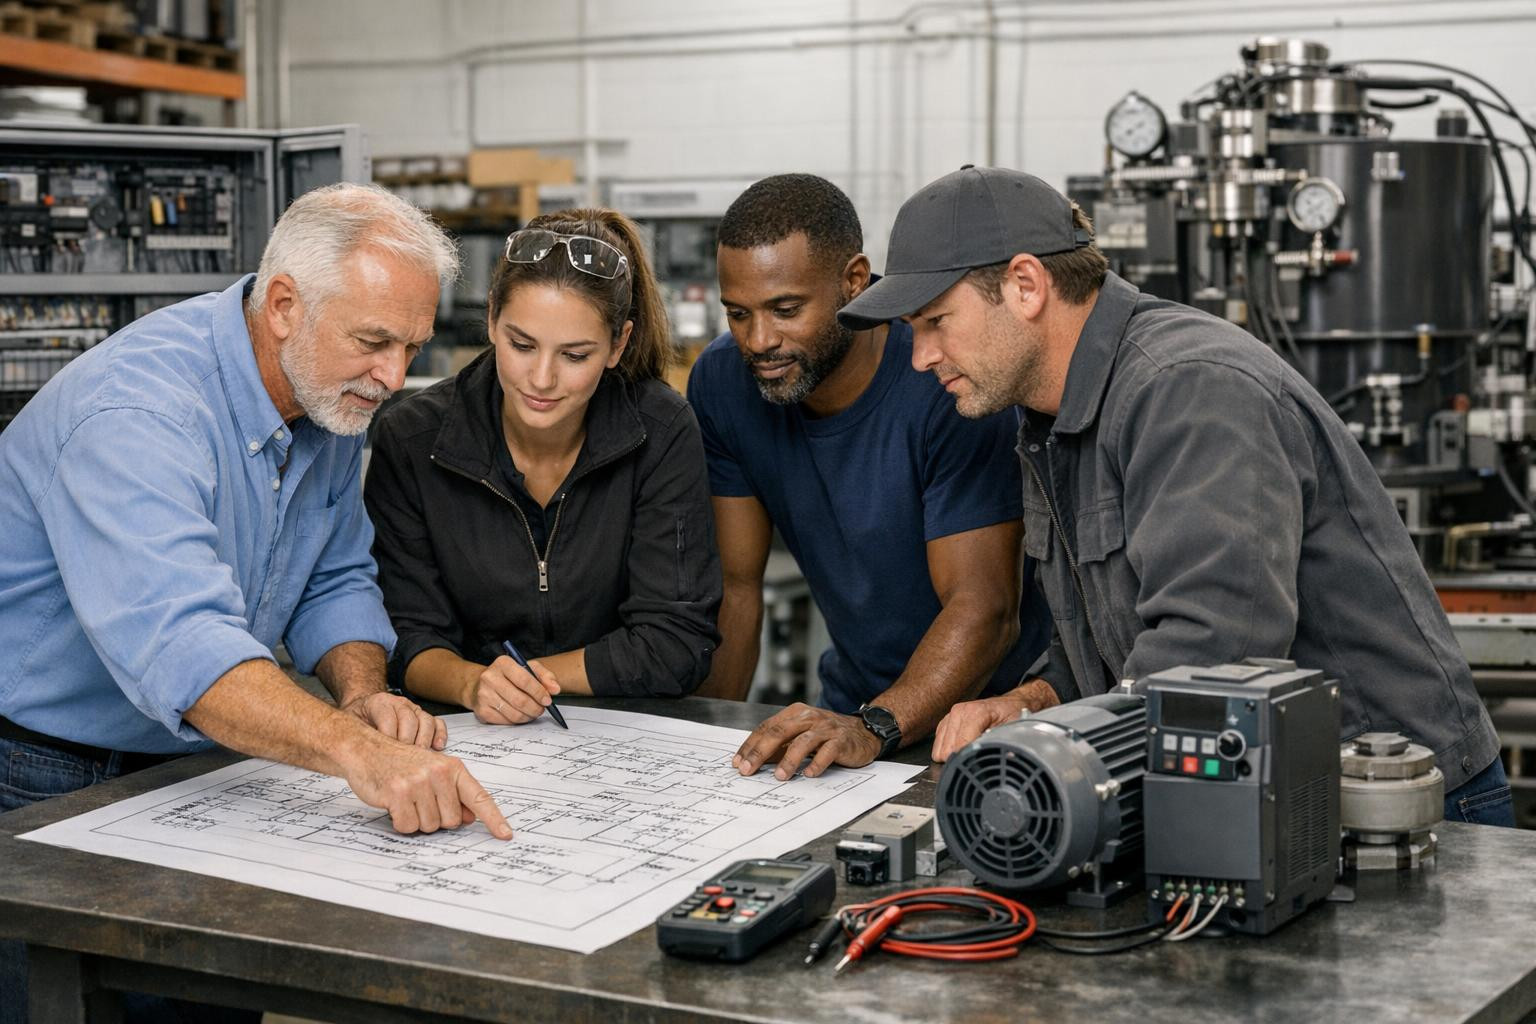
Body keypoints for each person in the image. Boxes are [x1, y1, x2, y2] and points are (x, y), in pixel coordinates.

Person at [840, 164, 1511, 826]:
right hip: (1272, 799)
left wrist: (1048, 774)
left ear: (1025, 285)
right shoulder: (1051, 419)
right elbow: (1116, 639)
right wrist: (1033, 700)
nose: (921, 357)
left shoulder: (1189, 390)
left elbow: (1212, 657)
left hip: (1393, 807)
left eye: (935, 322)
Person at [0, 183, 515, 1021]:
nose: (394, 376)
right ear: (283, 305)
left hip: (202, 760)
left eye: (411, 345)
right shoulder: (138, 414)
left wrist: (364, 692)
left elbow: (334, 574)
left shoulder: (328, 391)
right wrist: (361, 753)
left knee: (204, 1000)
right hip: (45, 772)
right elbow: (189, 654)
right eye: (375, 341)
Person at [686, 173, 1052, 781]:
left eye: (786, 309)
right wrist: (707, 746)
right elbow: (737, 584)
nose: (759, 340)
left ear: (854, 281)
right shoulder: (725, 383)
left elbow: (984, 607)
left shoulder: (945, 378)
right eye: (737, 314)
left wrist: (877, 726)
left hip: (992, 719)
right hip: (852, 712)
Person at [364, 209, 721, 715]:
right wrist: (473, 686)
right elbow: (403, 637)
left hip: (624, 738)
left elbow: (677, 644)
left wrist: (524, 681)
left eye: (575, 355)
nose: (542, 378)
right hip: (466, 734)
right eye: (522, 345)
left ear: (618, 344)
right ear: (491, 319)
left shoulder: (661, 433)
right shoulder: (412, 440)